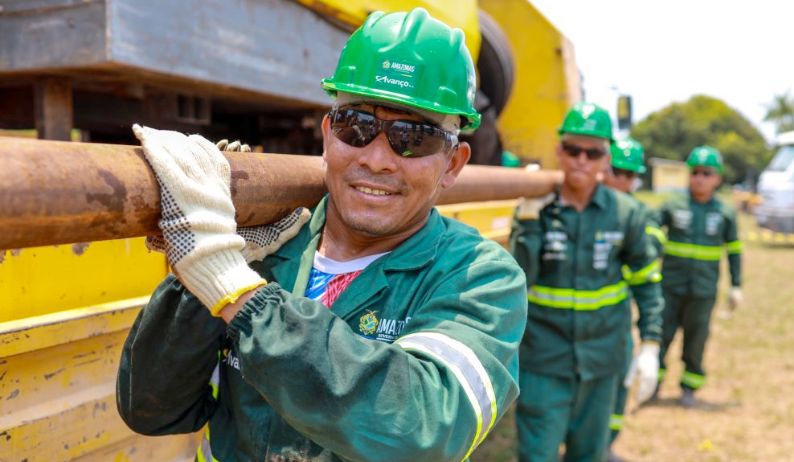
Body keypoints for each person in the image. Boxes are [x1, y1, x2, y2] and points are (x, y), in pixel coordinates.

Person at [116, 8, 527, 461]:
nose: (376, 158)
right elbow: (151, 409)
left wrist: (231, 285)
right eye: (358, 126)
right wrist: (199, 272)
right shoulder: (265, 244)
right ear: (329, 135)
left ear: (452, 164)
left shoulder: (481, 278)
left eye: (413, 137)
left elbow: (423, 428)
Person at [511, 103, 664, 462]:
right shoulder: (538, 210)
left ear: (605, 158)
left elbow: (647, 280)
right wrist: (529, 223)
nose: (582, 159)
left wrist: (652, 344)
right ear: (559, 151)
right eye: (573, 149)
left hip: (602, 360)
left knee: (589, 455)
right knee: (538, 454)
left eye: (592, 152)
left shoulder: (626, 213)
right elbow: (519, 279)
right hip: (544, 361)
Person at [656, 145, 742, 407]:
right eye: (695, 172)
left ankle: (689, 388)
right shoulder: (672, 205)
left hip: (703, 291)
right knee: (661, 335)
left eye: (707, 173)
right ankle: (653, 384)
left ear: (717, 178)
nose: (700, 178)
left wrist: (737, 285)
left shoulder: (725, 213)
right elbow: (649, 231)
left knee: (696, 340)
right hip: (670, 287)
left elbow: (734, 250)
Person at [601, 137, 665, 461]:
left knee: (617, 383)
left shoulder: (640, 215)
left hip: (619, 311)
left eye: (629, 174)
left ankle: (607, 443)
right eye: (616, 171)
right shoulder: (587, 206)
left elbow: (650, 261)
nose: (622, 180)